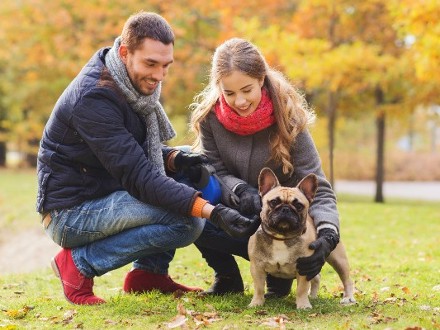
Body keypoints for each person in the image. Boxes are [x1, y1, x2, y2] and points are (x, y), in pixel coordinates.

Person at [36, 13, 259, 306]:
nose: (159, 75)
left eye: (166, 65)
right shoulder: (94, 98)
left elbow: (136, 152)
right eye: (151, 64)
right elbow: (140, 178)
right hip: (71, 213)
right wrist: (213, 212)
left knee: (190, 165)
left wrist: (176, 160)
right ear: (125, 53)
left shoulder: (129, 84)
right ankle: (78, 265)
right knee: (188, 223)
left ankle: (148, 274)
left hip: (105, 192)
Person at [189, 38, 341, 297]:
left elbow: (319, 187)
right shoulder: (210, 119)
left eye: (247, 90)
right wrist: (241, 190)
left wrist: (328, 235)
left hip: (284, 227)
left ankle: (280, 277)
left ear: (261, 79)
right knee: (189, 186)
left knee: (282, 280)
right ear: (218, 88)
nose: (239, 101)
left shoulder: (289, 119)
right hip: (234, 218)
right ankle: (226, 276)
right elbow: (213, 171)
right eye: (229, 93)